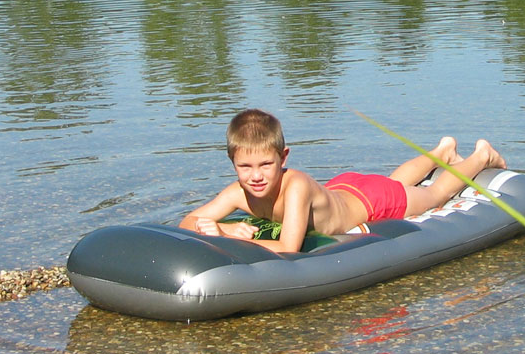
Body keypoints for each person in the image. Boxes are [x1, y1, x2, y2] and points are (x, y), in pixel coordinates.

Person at [179, 108, 507, 253]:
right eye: (245, 166)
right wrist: (217, 227)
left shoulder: (295, 188)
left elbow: (288, 248)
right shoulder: (237, 192)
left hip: (370, 202)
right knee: (393, 181)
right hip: (342, 188)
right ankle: (442, 151)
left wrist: (227, 235)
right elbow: (188, 222)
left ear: (284, 158)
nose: (256, 176)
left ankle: (481, 155)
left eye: (266, 164)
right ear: (232, 163)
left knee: (434, 195)